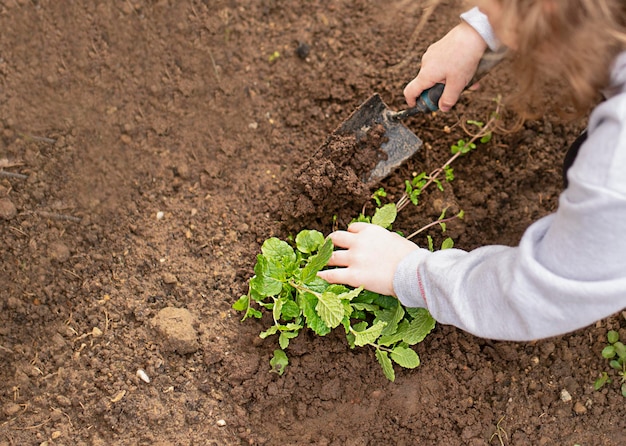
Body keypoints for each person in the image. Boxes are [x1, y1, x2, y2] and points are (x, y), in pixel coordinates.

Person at [318, 0, 626, 341]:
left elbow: (536, 295)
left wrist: (407, 272)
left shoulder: (613, 172)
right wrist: (480, 31)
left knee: (584, 164)